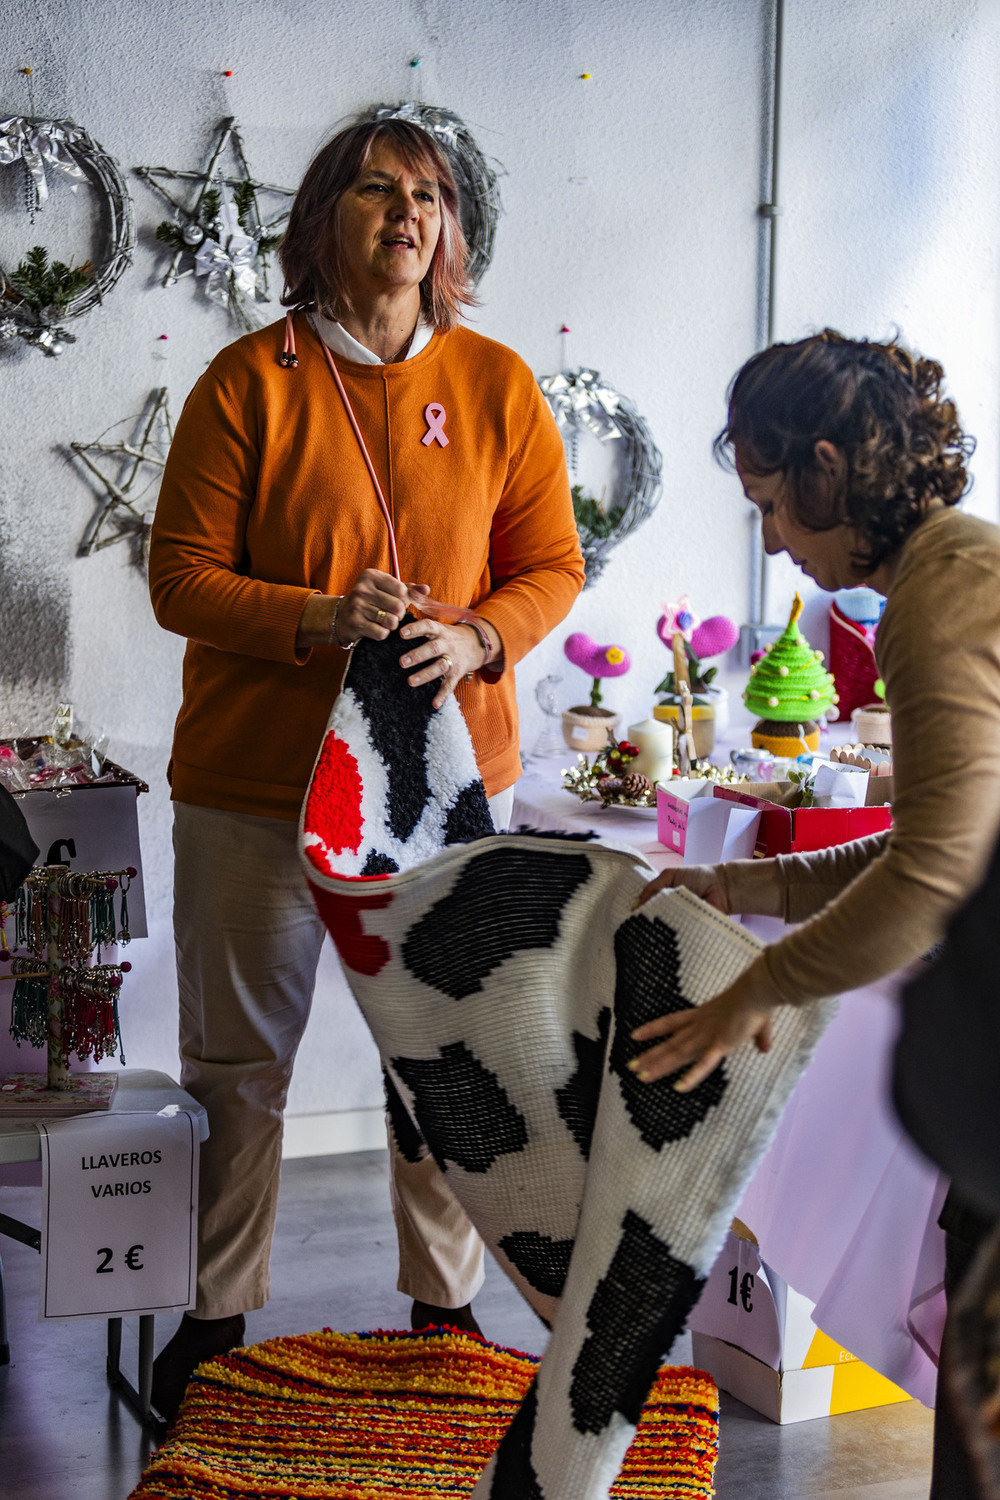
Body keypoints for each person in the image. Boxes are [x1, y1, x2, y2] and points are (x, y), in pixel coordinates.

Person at [147, 117, 584, 1419]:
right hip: (253, 784)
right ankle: (217, 1320)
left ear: (450, 234)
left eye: (432, 196)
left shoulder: (502, 384)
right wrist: (319, 617)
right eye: (380, 190)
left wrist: (482, 633)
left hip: (444, 787)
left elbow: (550, 564)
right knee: (239, 1068)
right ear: (323, 219)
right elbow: (179, 578)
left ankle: (444, 1310)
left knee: (445, 1057)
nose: (409, 213)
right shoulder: (248, 380)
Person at [633, 330, 1000, 1499]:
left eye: (769, 502)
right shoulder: (956, 567)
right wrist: (746, 890)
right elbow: (929, 840)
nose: (770, 538)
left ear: (829, 469)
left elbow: (934, 873)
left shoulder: (936, 595)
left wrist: (755, 989)